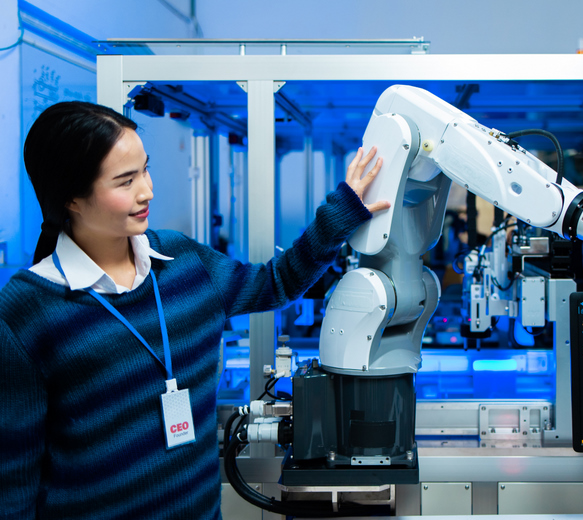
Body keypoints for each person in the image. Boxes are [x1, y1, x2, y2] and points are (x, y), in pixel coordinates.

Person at [0, 101, 389, 519]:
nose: (147, 191)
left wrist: (342, 213)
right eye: (125, 181)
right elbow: (13, 481)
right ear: (72, 199)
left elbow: (275, 282)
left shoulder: (184, 262)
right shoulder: (27, 312)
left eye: (145, 170)